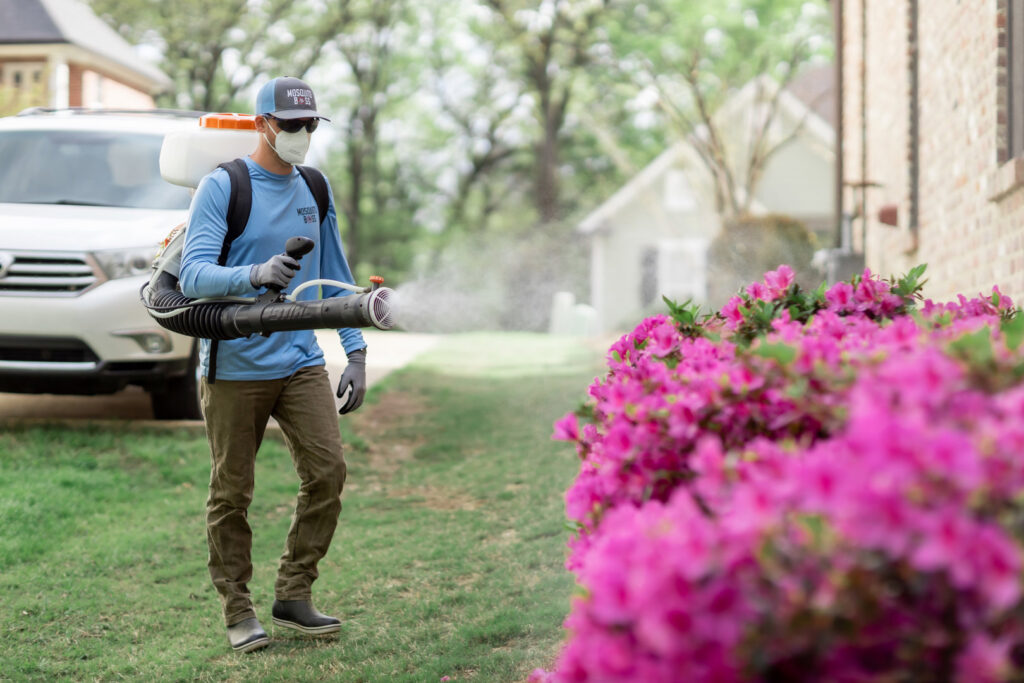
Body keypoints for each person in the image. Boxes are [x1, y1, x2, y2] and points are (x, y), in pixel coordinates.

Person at [179, 76, 367, 653]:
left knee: (328, 472)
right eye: (291, 125)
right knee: (232, 492)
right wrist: (253, 275)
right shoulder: (224, 187)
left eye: (311, 125)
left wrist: (354, 350)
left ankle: (293, 592)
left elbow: (335, 273)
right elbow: (191, 275)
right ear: (264, 124)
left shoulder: (315, 186)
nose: (302, 135)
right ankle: (238, 609)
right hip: (233, 365)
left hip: (299, 359)